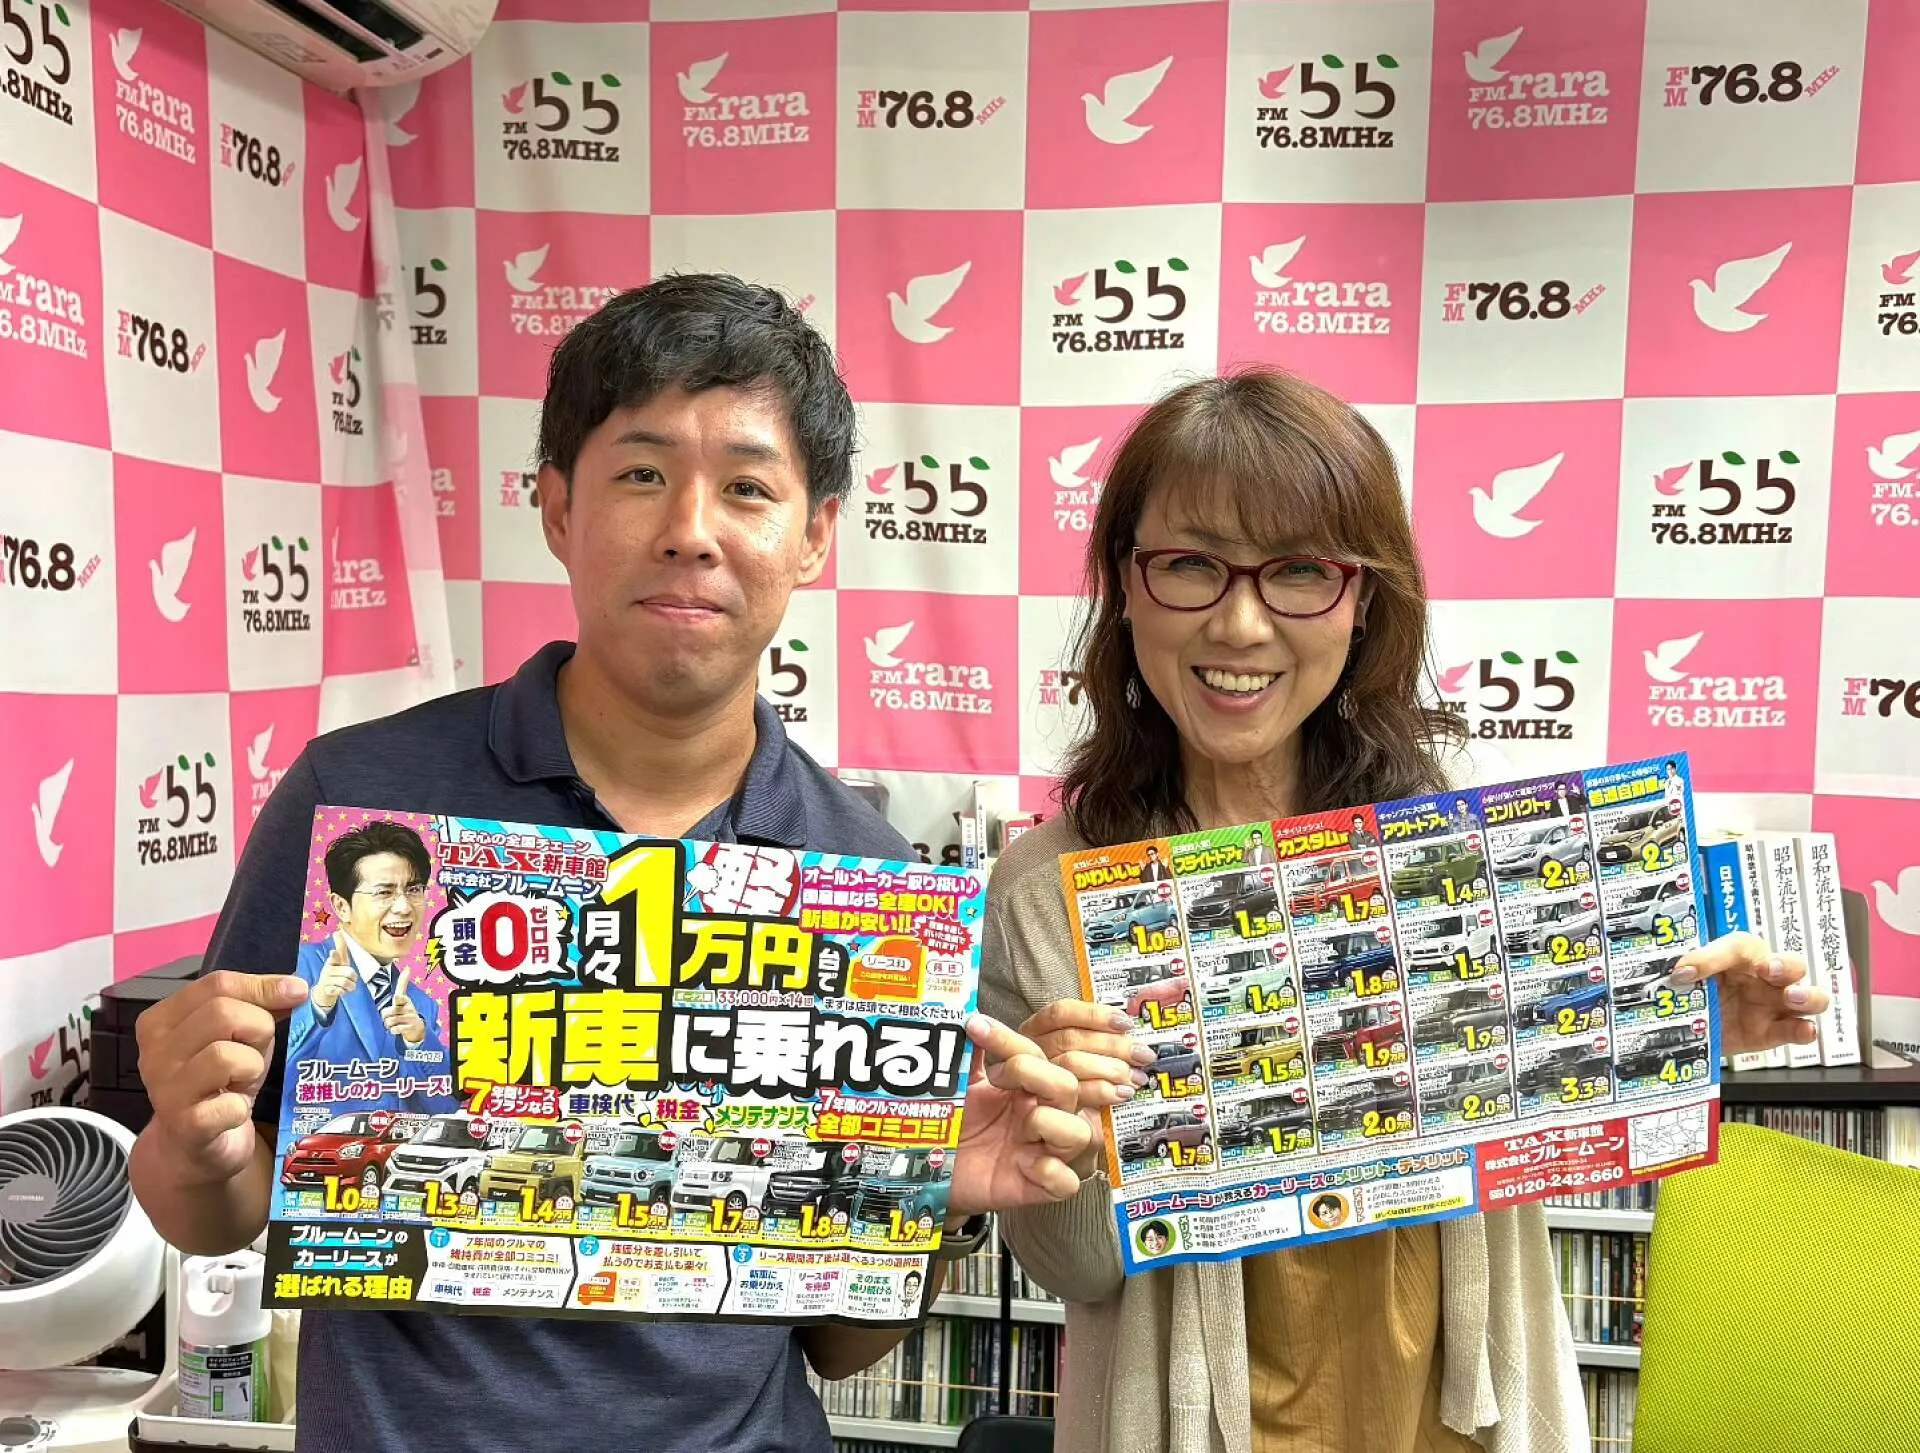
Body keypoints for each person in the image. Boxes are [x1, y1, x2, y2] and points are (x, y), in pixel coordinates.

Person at [128, 274, 1093, 1453]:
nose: (690, 527)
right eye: (641, 473)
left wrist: (920, 1204)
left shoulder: (866, 877)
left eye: (748, 487)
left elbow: (838, 1345)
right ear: (555, 506)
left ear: (815, 536)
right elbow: (211, 1213)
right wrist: (193, 1141)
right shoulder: (365, 802)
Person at [977, 367, 1830, 1453]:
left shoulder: (1472, 841)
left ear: (1363, 599)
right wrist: (1066, 1134)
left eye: (1300, 571)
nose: (1241, 622)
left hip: (1456, 1411)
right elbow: (1080, 1267)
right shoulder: (1047, 889)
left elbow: (1555, 1104)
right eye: (1190, 563)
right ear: (1126, 584)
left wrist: (1678, 1032)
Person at [284, 819, 449, 1116]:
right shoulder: (303, 966)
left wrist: (418, 1041)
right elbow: (270, 1085)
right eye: (384, 892)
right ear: (341, 906)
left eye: (414, 889)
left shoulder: (421, 1005)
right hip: (313, 1144)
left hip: (393, 1147)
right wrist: (319, 1006)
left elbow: (445, 1109)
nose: (404, 907)